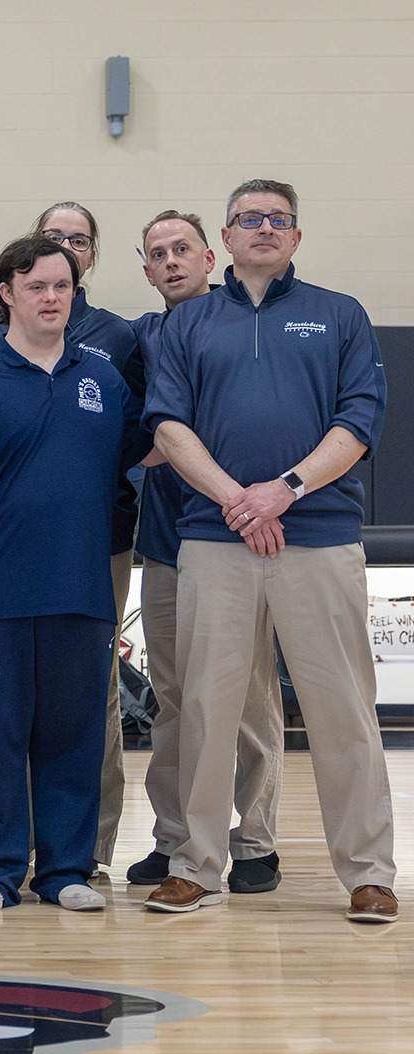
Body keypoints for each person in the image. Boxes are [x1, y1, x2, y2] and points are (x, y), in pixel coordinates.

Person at [143, 180, 397, 923]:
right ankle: (195, 865)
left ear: (295, 236)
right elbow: (167, 427)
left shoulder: (339, 314)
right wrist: (236, 498)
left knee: (343, 711)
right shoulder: (191, 324)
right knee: (205, 709)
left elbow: (358, 423)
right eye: (250, 218)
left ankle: (369, 871)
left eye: (277, 219)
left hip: (317, 540)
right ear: (225, 236)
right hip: (214, 542)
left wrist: (283, 490)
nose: (264, 228)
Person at [0, 234, 131, 914]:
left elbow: (141, 460)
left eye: (61, 287)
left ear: (76, 292)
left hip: (81, 593)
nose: (49, 298)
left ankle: (65, 870)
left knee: (72, 737)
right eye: (35, 286)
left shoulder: (103, 380)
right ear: (5, 295)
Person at [124, 210, 286, 892]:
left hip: (240, 535)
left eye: (181, 248)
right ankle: (178, 838)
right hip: (165, 543)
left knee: (247, 698)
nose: (170, 261)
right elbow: (146, 437)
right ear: (146, 269)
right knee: (175, 699)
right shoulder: (142, 338)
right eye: (157, 253)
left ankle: (252, 840)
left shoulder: (245, 324)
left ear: (209, 256)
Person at [25, 202, 148, 870]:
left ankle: (90, 845)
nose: (66, 247)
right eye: (53, 237)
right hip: (13, 539)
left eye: (78, 239)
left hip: (100, 536)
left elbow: (143, 432)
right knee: (21, 687)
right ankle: (16, 839)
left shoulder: (119, 336)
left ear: (94, 254)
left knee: (92, 687)